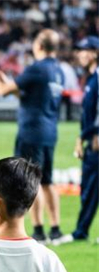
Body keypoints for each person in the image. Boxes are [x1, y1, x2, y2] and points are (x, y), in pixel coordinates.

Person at [0, 30, 66, 244]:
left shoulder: (37, 67)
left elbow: (2, 92)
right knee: (49, 181)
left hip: (31, 131)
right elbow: (27, 94)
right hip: (49, 131)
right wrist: (7, 81)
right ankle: (56, 230)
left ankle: (38, 231)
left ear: (39, 45)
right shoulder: (57, 70)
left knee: (31, 182)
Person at [56, 36, 99, 245]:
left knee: (90, 187)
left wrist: (93, 134)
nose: (79, 54)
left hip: (96, 141)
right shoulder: (91, 78)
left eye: (84, 50)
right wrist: (81, 138)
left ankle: (80, 232)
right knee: (90, 187)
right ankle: (81, 231)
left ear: (95, 53)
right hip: (91, 139)